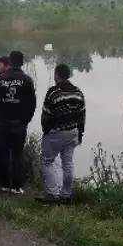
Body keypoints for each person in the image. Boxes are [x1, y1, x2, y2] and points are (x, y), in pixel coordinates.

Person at [38, 63, 86, 204]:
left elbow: (46, 115)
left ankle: (52, 193)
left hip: (55, 133)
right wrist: (80, 134)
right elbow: (82, 115)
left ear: (57, 75)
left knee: (46, 161)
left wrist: (46, 131)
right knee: (68, 163)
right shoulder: (78, 92)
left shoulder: (53, 92)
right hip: (72, 132)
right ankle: (66, 194)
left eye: (55, 74)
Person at [0, 50, 37, 194]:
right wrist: (26, 119)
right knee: (17, 155)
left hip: (3, 123)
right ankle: (16, 187)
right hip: (20, 123)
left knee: (2, 154)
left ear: (10, 62)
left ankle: (3, 184)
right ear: (22, 63)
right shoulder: (27, 80)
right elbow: (32, 103)